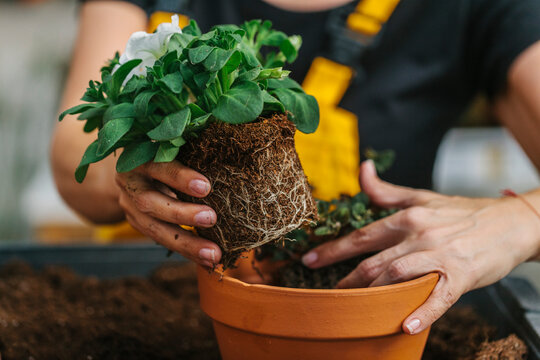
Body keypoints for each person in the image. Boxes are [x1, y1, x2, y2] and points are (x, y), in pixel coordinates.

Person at [51, 0, 540, 335]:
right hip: (169, 306)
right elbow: (77, 155)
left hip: (368, 312)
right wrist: (135, 163)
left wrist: (523, 219)